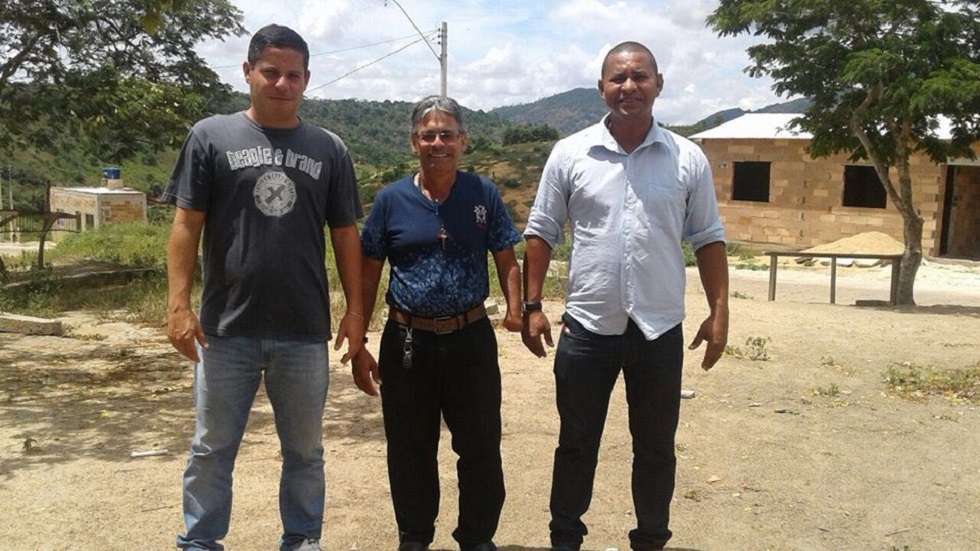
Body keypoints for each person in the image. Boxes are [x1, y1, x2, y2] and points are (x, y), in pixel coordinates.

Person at [521, 41, 730, 551]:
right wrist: (531, 307)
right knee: (575, 444)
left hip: (658, 329)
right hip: (588, 327)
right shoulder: (570, 153)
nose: (628, 87)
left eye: (639, 77)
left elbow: (708, 237)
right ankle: (565, 538)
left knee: (656, 449)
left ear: (659, 84)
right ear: (601, 89)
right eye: (618, 79)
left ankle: (652, 539)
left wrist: (719, 312)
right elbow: (541, 231)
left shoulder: (687, 158)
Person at [164, 24, 365, 551]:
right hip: (224, 329)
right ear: (248, 72)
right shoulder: (211, 136)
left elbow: (346, 234)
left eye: (293, 75)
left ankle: (302, 541)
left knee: (305, 453)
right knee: (211, 449)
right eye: (270, 72)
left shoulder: (329, 149)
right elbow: (187, 224)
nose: (282, 83)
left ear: (306, 80)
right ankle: (199, 542)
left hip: (302, 330)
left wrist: (356, 311)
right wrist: (179, 304)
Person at [350, 95, 522, 551]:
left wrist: (516, 308)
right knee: (410, 449)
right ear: (414, 143)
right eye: (428, 135)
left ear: (463, 141)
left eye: (447, 134)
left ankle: (477, 538)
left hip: (471, 339)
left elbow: (506, 255)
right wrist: (359, 334)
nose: (438, 142)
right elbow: (369, 273)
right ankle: (415, 537)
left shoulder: (482, 194)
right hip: (407, 342)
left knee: (481, 446)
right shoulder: (390, 201)